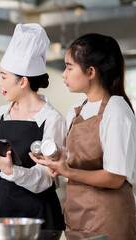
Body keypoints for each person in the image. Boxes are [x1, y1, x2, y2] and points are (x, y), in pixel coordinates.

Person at [30, 33, 136, 239]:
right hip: (77, 215)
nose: (63, 74)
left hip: (109, 219)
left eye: (69, 67)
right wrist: (57, 162)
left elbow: (114, 178)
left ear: (90, 72)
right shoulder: (77, 111)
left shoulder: (116, 111)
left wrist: (66, 171)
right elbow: (78, 160)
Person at [0, 23, 66, 230]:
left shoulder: (52, 119)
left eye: (3, 76)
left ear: (23, 81)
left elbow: (46, 178)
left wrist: (11, 169)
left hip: (37, 217)